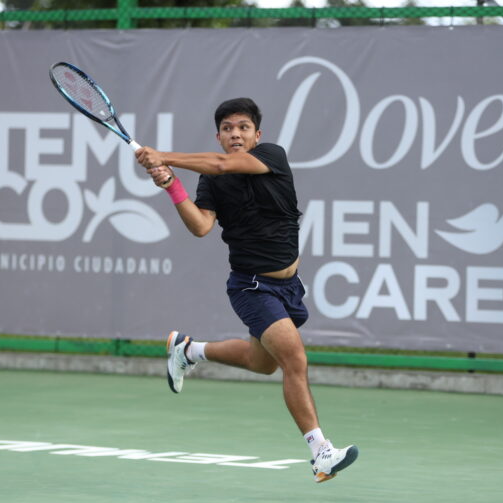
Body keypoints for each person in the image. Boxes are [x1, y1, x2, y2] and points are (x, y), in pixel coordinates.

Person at [135, 98, 357, 483]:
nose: (235, 134)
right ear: (218, 135)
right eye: (227, 128)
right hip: (252, 286)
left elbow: (222, 164)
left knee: (263, 363)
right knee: (294, 361)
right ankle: (321, 452)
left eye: (242, 127)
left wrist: (163, 157)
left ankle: (188, 350)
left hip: (289, 286)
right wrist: (171, 185)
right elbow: (201, 226)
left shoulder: (272, 156)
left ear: (257, 134)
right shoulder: (213, 179)